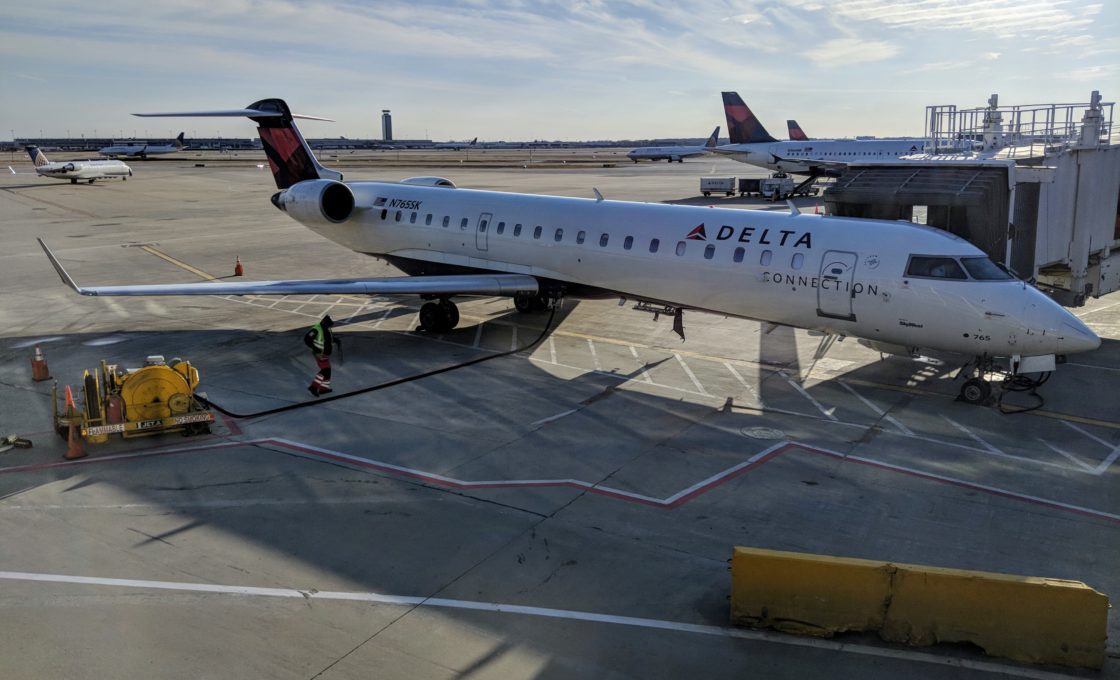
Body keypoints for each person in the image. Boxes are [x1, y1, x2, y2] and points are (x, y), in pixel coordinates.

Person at [304, 314, 338, 396]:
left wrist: (336, 340)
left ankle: (323, 388)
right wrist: (315, 349)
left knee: (327, 370)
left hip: (325, 353)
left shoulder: (326, 328)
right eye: (329, 325)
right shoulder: (316, 330)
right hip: (319, 354)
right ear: (325, 323)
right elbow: (306, 339)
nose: (330, 326)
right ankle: (314, 387)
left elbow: (328, 338)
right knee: (325, 370)